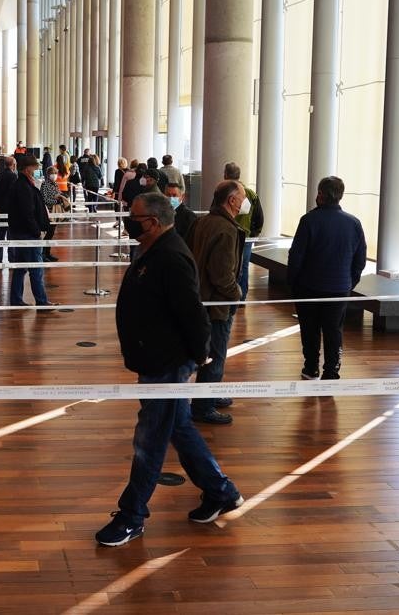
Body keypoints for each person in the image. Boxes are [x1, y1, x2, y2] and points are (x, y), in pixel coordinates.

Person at [96, 192, 242, 547]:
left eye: (136, 217)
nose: (130, 221)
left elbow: (192, 313)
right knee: (177, 425)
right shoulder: (152, 249)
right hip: (156, 358)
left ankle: (133, 514)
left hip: (167, 363)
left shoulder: (172, 256)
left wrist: (198, 356)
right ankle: (221, 490)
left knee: (150, 437)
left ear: (155, 222)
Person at [288, 176, 367, 380]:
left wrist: (293, 283)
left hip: (308, 287)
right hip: (339, 288)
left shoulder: (308, 221)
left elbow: (296, 257)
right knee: (334, 331)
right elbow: (360, 258)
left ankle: (311, 367)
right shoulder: (354, 223)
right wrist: (350, 282)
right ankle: (331, 371)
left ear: (320, 194)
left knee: (309, 330)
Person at [188, 180, 247, 425]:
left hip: (199, 298)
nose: (245, 202)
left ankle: (210, 393)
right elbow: (222, 274)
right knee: (216, 354)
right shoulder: (226, 229)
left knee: (209, 351)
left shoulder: (202, 221)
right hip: (217, 304)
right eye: (242, 197)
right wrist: (237, 293)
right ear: (232, 200)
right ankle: (203, 406)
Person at [7, 154, 56, 307]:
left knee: (20, 268)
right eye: (35, 167)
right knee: (36, 268)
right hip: (27, 234)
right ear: (28, 168)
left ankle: (16, 299)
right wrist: (37, 231)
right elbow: (27, 212)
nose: (37, 170)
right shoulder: (24, 186)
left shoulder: (22, 184)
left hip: (20, 232)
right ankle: (41, 302)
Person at [224, 162, 264, 302]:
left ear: (226, 175)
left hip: (228, 236)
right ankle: (242, 297)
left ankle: (230, 295)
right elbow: (259, 217)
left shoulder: (224, 193)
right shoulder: (251, 193)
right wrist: (254, 234)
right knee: (244, 266)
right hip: (246, 237)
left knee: (228, 266)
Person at [0, 156, 18, 263]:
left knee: (0, 235)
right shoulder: (14, 176)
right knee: (11, 235)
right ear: (13, 165)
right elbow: (14, 194)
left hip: (0, 210)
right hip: (11, 211)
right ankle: (12, 258)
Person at [39, 165, 67, 262]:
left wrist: (61, 197)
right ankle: (43, 254)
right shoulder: (45, 185)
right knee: (48, 233)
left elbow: (58, 194)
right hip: (48, 212)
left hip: (55, 213)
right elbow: (45, 199)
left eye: (55, 173)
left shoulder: (55, 184)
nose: (54, 175)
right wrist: (56, 201)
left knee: (51, 233)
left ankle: (47, 253)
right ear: (48, 174)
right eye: (52, 173)